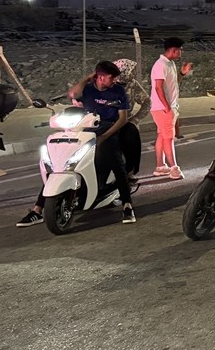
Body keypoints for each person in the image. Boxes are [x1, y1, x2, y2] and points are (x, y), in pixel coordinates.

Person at [16, 61, 136, 227]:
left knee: (115, 161)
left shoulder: (118, 91)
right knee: (59, 164)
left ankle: (127, 205)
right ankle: (37, 210)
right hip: (84, 129)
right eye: (111, 78)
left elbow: (122, 119)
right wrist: (87, 78)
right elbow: (73, 93)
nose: (114, 81)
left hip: (108, 130)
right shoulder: (88, 89)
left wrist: (105, 136)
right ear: (100, 77)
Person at [150, 36, 192, 179]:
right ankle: (174, 168)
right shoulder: (160, 65)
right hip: (163, 108)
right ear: (173, 50)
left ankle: (160, 166)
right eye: (179, 50)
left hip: (166, 107)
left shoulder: (169, 64)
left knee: (162, 136)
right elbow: (158, 87)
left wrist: (182, 73)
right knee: (168, 138)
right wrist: (167, 108)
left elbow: (172, 83)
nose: (181, 53)